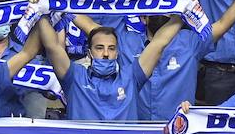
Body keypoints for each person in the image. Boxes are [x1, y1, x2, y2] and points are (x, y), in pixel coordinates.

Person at [35, 9, 189, 121]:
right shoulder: (75, 76)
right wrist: (42, 10)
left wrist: (183, 11)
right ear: (89, 53)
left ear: (117, 53)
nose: (106, 53)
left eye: (111, 48)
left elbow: (159, 43)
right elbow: (52, 47)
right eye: (99, 48)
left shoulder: (131, 76)